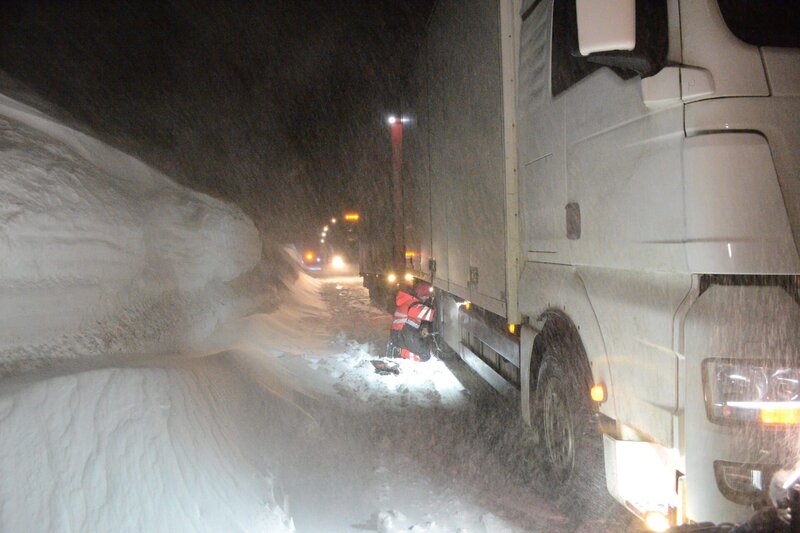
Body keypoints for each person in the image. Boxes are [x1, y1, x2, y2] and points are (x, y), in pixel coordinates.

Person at [389, 280, 435, 362]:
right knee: (425, 356)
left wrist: (423, 328)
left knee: (424, 344)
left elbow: (417, 321)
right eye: (426, 295)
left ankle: (399, 348)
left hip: (398, 334)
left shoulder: (409, 301)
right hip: (402, 335)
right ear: (420, 294)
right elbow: (432, 315)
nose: (428, 298)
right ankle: (400, 352)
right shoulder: (414, 306)